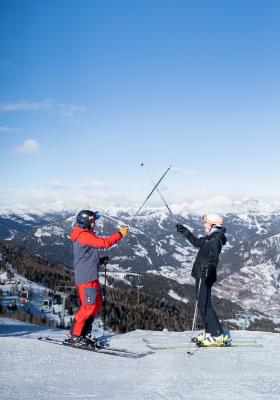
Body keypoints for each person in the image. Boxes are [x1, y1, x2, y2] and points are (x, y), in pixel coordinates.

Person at [68, 209, 128, 346]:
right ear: (85, 223)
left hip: (90, 276)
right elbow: (104, 243)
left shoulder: (84, 234)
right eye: (92, 222)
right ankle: (75, 335)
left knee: (96, 305)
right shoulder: (84, 236)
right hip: (86, 278)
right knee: (89, 307)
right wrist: (120, 234)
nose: (94, 224)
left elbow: (86, 257)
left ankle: (84, 333)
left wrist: (99, 261)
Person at [176, 214, 228, 346]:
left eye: (207, 223)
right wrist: (186, 232)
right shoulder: (210, 237)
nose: (204, 225)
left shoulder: (215, 240)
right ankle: (210, 332)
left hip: (205, 275)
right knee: (201, 303)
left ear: (213, 225)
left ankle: (218, 335)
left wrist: (208, 269)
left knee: (205, 305)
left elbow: (214, 258)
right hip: (201, 274)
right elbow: (197, 243)